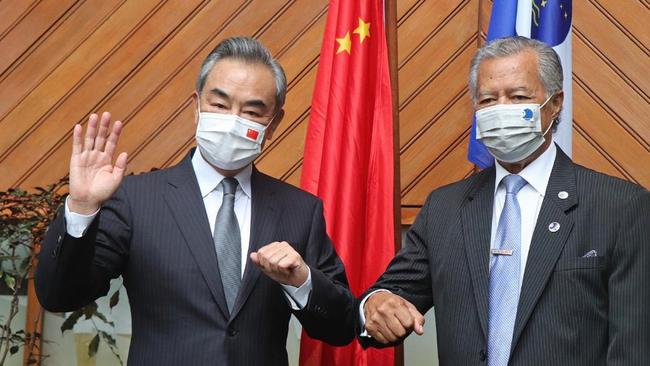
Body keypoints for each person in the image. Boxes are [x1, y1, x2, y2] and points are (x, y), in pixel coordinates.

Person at [36, 37, 355, 365]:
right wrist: (82, 208)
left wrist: (301, 280)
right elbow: (59, 295)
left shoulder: (300, 210)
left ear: (273, 123)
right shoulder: (135, 199)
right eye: (220, 104)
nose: (233, 119)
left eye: (251, 111)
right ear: (196, 106)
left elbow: (343, 325)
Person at [359, 36, 649, 366]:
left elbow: (635, 348)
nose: (501, 109)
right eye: (487, 100)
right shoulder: (444, 208)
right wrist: (375, 302)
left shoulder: (621, 208)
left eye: (518, 97)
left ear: (554, 103)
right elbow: (388, 297)